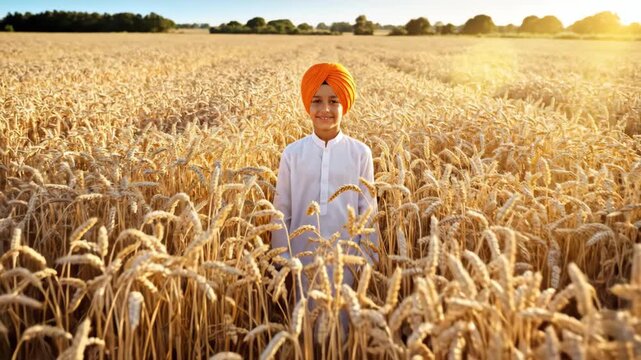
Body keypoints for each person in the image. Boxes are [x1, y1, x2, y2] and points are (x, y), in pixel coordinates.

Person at [270, 63, 380, 344]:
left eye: (334, 101)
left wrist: (368, 258)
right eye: (317, 101)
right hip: (302, 255)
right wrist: (282, 259)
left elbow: (368, 208)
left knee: (343, 331)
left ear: (345, 105)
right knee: (303, 326)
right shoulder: (292, 153)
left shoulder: (360, 153)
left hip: (347, 255)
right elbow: (282, 208)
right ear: (308, 104)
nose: (325, 109)